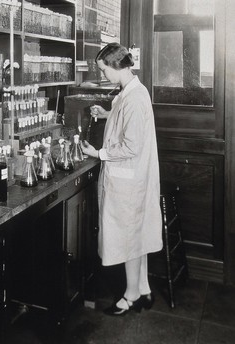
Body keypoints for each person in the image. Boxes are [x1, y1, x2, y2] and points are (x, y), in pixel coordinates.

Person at [81, 43, 163, 316]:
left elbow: (131, 146)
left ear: (118, 66)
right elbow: (125, 117)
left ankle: (130, 296)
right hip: (132, 178)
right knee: (136, 235)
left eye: (103, 69)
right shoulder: (130, 92)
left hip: (129, 180)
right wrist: (106, 114)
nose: (102, 75)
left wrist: (98, 152)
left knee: (128, 238)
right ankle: (144, 288)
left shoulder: (135, 98)